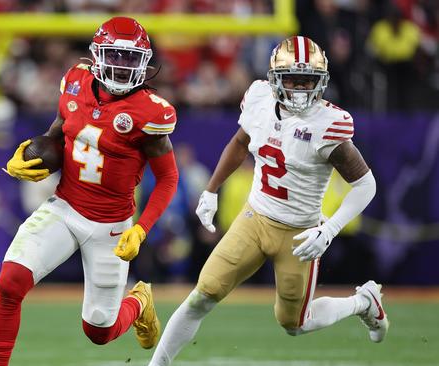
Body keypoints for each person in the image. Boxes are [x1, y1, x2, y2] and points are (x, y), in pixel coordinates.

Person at [148, 36, 388, 366]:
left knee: (294, 323)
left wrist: (328, 230)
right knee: (202, 295)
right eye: (292, 79)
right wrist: (211, 189)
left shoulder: (329, 124)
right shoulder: (259, 98)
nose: (301, 89)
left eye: (308, 81)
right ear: (275, 78)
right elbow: (239, 142)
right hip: (255, 218)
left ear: (322, 82)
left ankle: (363, 302)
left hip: (299, 233)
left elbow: (366, 185)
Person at [0, 17, 179, 365]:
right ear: (97, 55)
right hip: (65, 207)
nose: (122, 67)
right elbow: (60, 134)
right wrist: (32, 155)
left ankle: (137, 303)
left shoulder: (151, 112)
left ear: (144, 62)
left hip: (112, 226)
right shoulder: (75, 82)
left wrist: (141, 228)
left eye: (130, 59)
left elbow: (168, 179)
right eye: (115, 56)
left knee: (99, 331)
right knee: (11, 281)